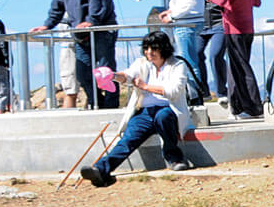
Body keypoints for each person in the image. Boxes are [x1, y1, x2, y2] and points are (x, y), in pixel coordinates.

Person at [79, 30, 194, 186]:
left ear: (163, 48)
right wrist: (112, 75)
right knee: (128, 139)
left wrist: (146, 86)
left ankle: (174, 158)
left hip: (168, 109)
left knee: (163, 117)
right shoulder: (141, 63)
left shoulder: (177, 65)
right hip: (145, 111)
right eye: (146, 49)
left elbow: (174, 91)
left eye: (153, 49)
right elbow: (127, 76)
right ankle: (100, 169)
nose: (149, 53)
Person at [32, 0, 117, 109]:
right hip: (79, 32)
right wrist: (48, 24)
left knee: (105, 70)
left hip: (101, 28)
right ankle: (96, 103)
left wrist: (92, 20)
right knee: (82, 72)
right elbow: (59, 1)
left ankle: (111, 105)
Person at [206, 0, 264, 119]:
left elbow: (222, 0)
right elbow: (257, 2)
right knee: (235, 68)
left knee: (241, 68)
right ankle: (237, 108)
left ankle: (253, 107)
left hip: (233, 28)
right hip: (248, 27)